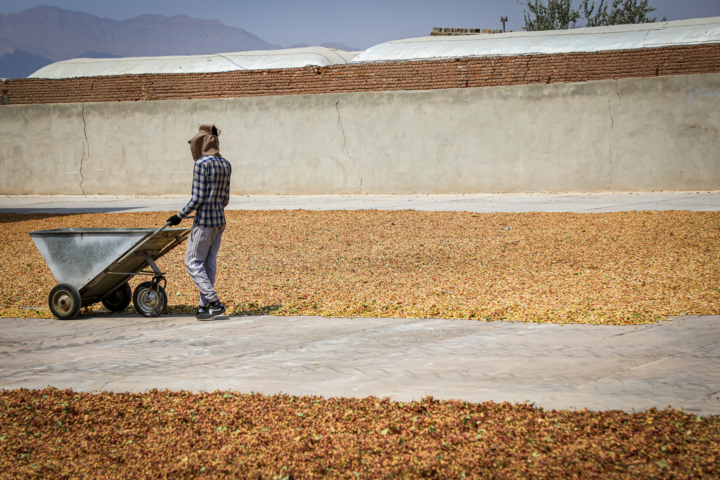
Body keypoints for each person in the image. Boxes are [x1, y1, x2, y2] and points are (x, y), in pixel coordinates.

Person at [167, 125, 232, 320]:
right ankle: (204, 307)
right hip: (219, 220)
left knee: (192, 262)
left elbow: (197, 198)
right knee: (208, 263)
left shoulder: (201, 164)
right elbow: (226, 199)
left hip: (204, 221)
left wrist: (179, 215)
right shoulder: (226, 164)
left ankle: (213, 301)